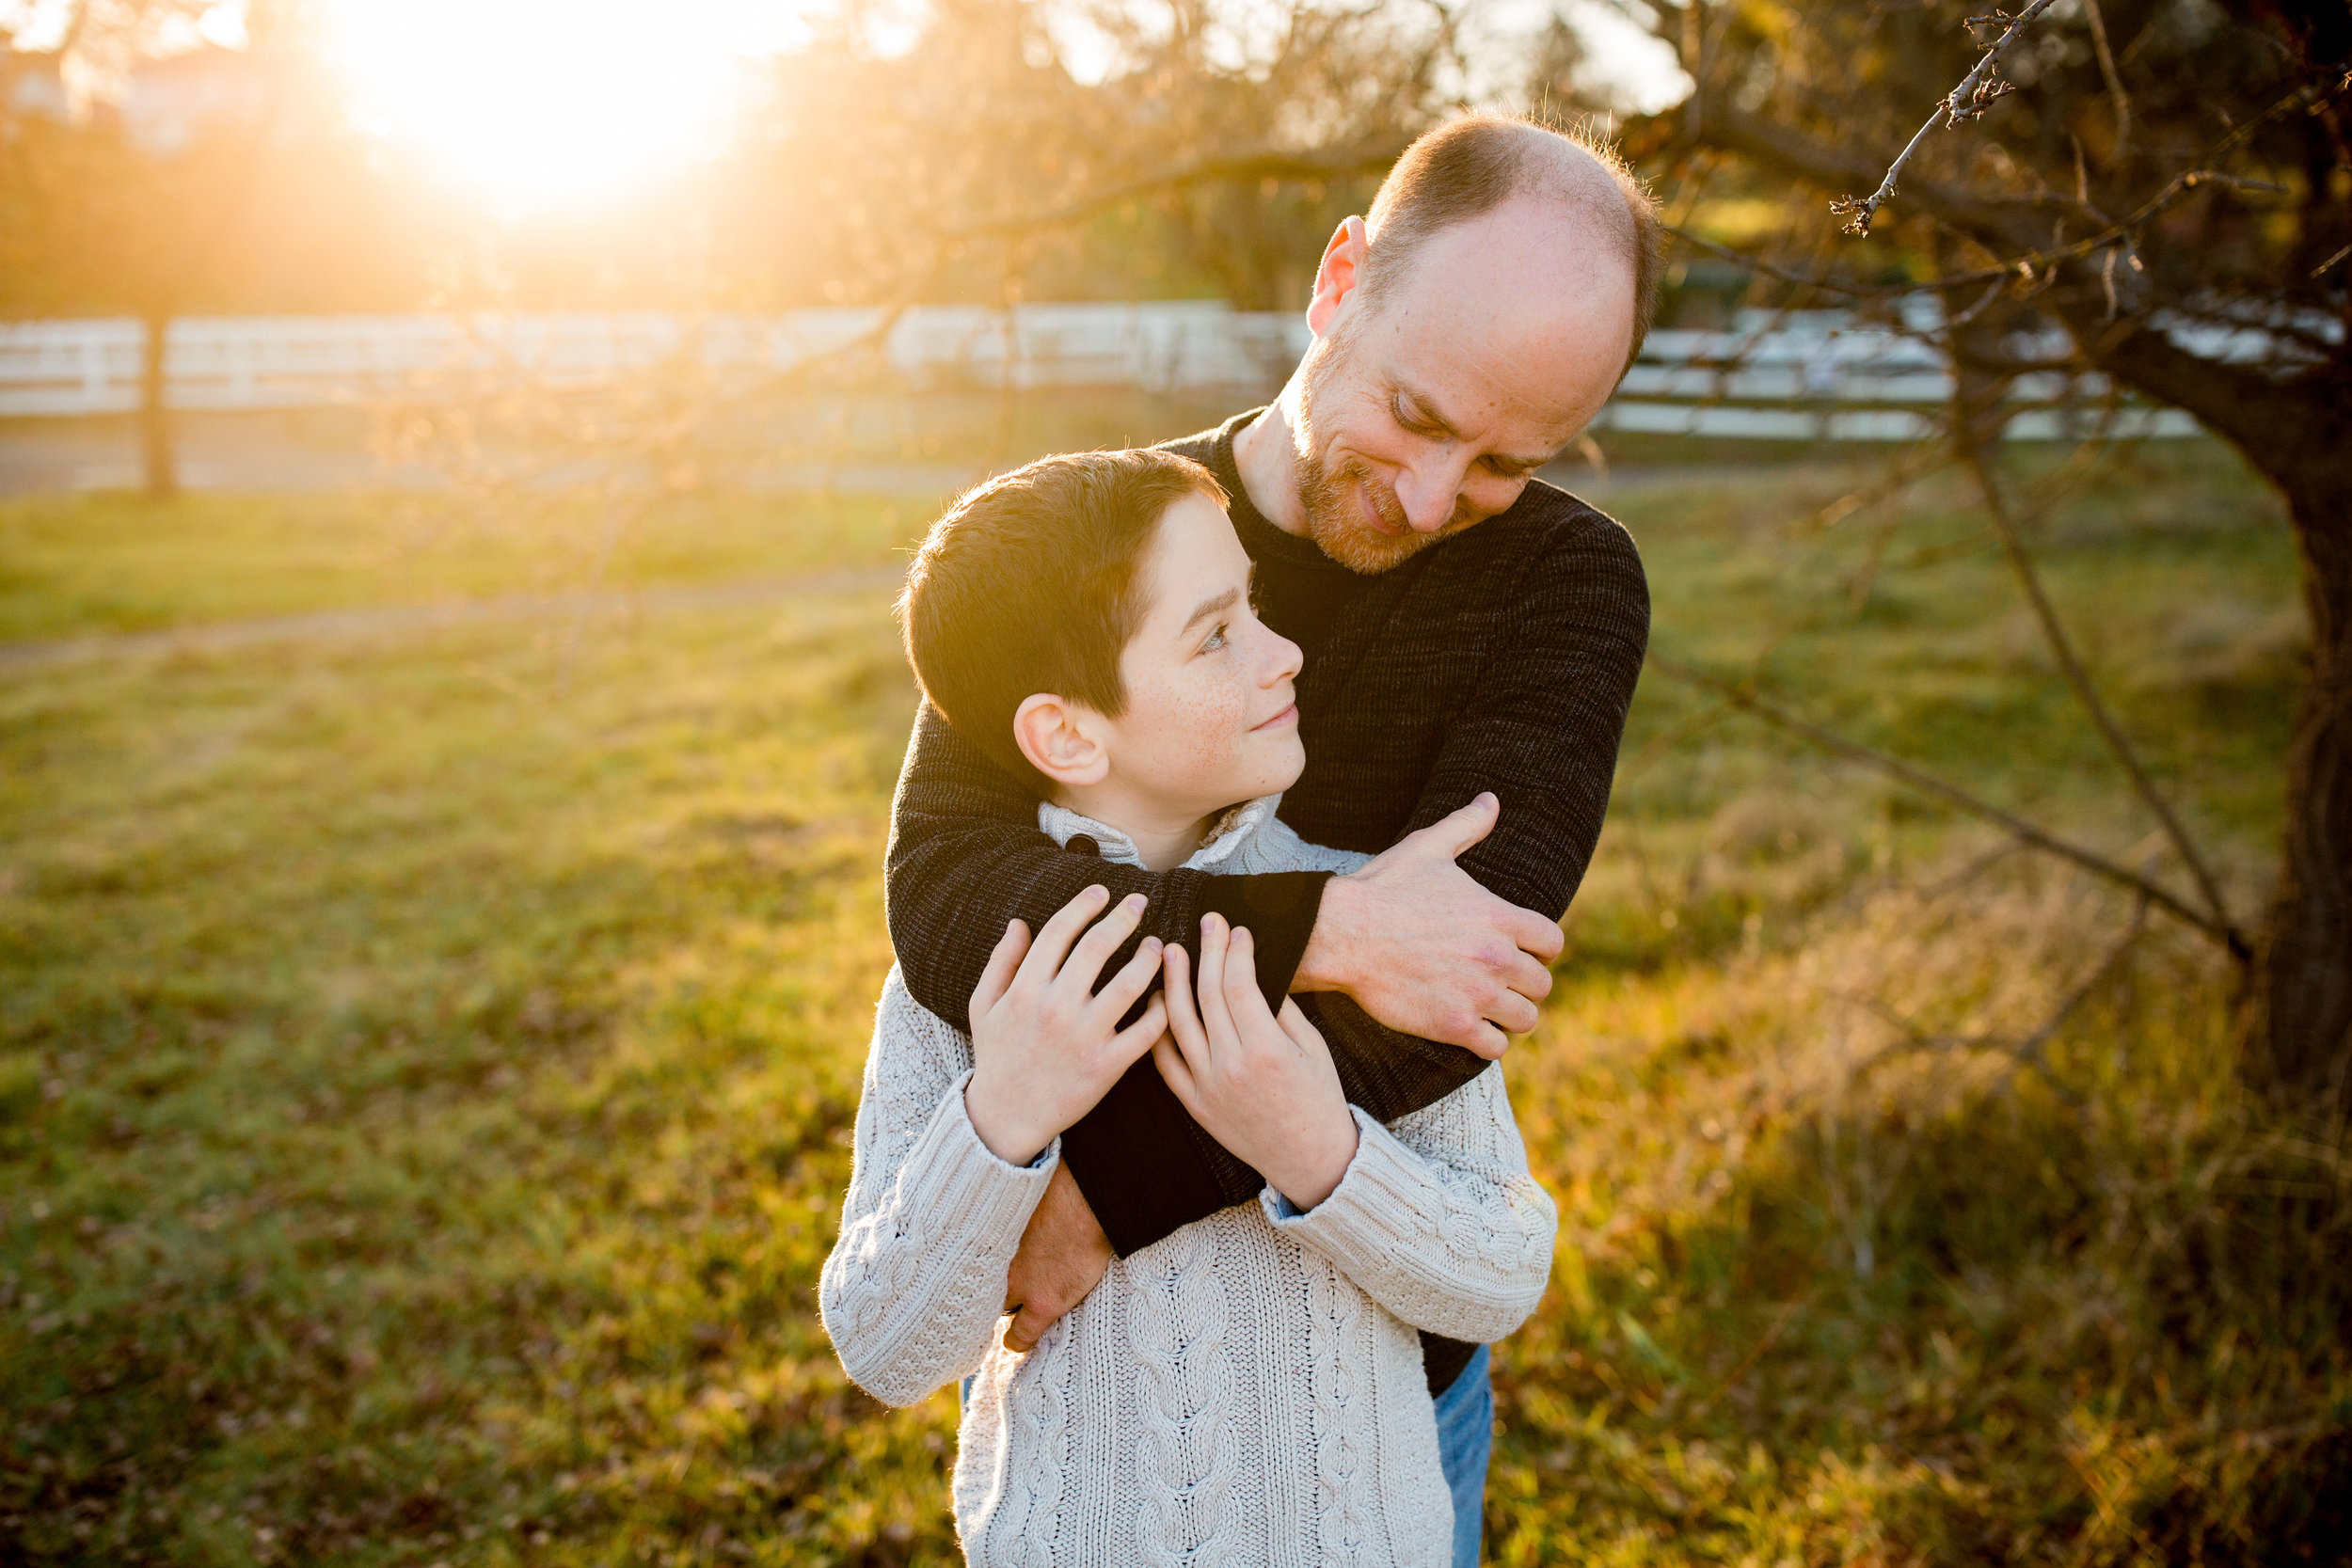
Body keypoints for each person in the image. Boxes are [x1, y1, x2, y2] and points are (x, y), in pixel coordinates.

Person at [884, 113, 1661, 1564]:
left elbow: (1453, 993)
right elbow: (950, 895)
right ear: (1339, 279)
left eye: (1507, 460)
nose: (1436, 500)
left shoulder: (1567, 581)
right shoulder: (1096, 534)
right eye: (1418, 417)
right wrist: (1336, 930)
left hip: (1371, 1387)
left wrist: (1108, 1192)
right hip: (1105, 1402)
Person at [822, 448, 1557, 1564]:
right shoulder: (974, 982)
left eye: (1254, 606)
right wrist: (1006, 1112)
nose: (1285, 652)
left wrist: (1315, 1150)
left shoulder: (1375, 922)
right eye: (1217, 634)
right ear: (1067, 733)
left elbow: (1503, 1271)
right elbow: (886, 1345)